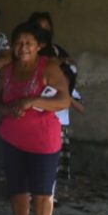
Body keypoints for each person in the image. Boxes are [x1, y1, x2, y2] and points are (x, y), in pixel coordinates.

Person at [0, 22, 71, 215]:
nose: (22, 47)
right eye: (18, 43)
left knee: (43, 190)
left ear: (39, 46)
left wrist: (32, 100)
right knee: (17, 188)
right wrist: (6, 111)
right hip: (12, 138)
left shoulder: (49, 68)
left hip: (43, 140)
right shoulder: (8, 70)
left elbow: (64, 100)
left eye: (28, 43)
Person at [28, 11, 84, 182]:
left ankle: (48, 192)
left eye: (47, 28)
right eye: (39, 27)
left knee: (52, 159)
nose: (44, 31)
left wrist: (65, 91)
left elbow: (72, 65)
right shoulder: (29, 52)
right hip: (35, 116)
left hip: (57, 121)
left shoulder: (57, 51)